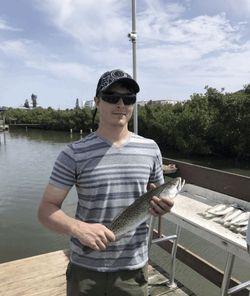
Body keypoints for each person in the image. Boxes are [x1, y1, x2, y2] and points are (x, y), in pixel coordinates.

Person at [38, 69, 174, 296]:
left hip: (133, 269)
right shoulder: (74, 153)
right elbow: (46, 210)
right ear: (98, 102)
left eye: (128, 98)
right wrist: (77, 228)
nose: (120, 104)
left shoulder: (151, 149)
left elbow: (155, 199)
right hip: (85, 270)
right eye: (112, 97)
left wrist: (162, 208)